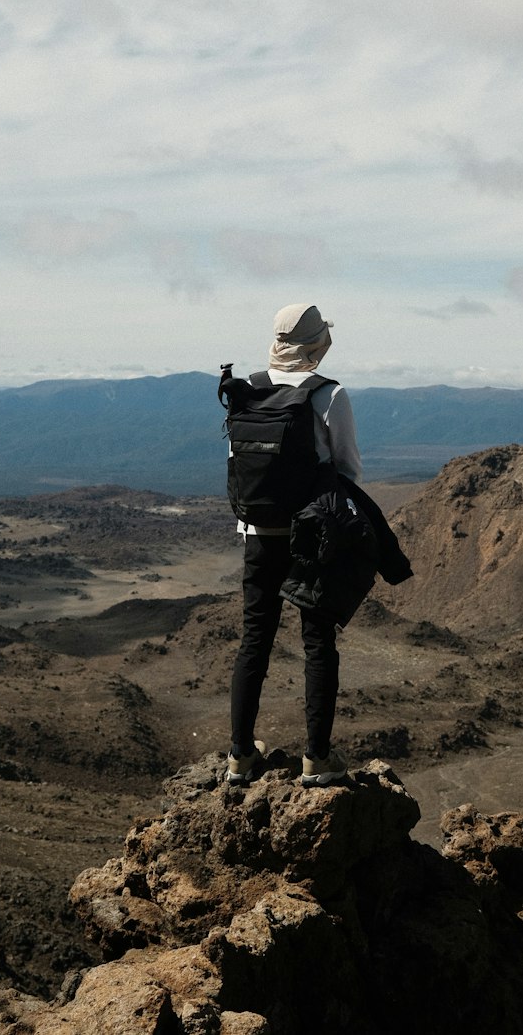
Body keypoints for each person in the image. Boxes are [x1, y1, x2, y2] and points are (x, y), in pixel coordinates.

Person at [225, 302, 363, 789]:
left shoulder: (245, 392)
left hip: (257, 536)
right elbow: (347, 468)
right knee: (318, 644)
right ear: (317, 347)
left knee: (254, 642)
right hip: (312, 538)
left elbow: (238, 468)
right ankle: (315, 759)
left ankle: (240, 757)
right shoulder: (329, 395)